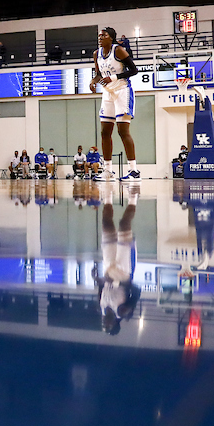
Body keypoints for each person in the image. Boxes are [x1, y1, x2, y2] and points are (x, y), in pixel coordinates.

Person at [90, 26, 140, 181]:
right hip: (107, 93)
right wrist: (93, 81)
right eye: (99, 35)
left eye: (103, 35)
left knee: (122, 131)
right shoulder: (96, 54)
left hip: (122, 90)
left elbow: (134, 70)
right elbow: (99, 74)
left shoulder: (118, 50)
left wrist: (113, 77)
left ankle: (134, 171)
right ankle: (108, 171)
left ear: (110, 38)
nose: (100, 37)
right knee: (105, 132)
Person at [93, 194, 140, 335]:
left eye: (103, 325)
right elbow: (137, 291)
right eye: (107, 326)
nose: (104, 323)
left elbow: (102, 286)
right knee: (124, 224)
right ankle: (134, 197)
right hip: (123, 271)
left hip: (108, 268)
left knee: (106, 224)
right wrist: (117, 282)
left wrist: (96, 278)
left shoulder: (101, 308)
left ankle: (107, 194)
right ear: (114, 324)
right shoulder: (122, 311)